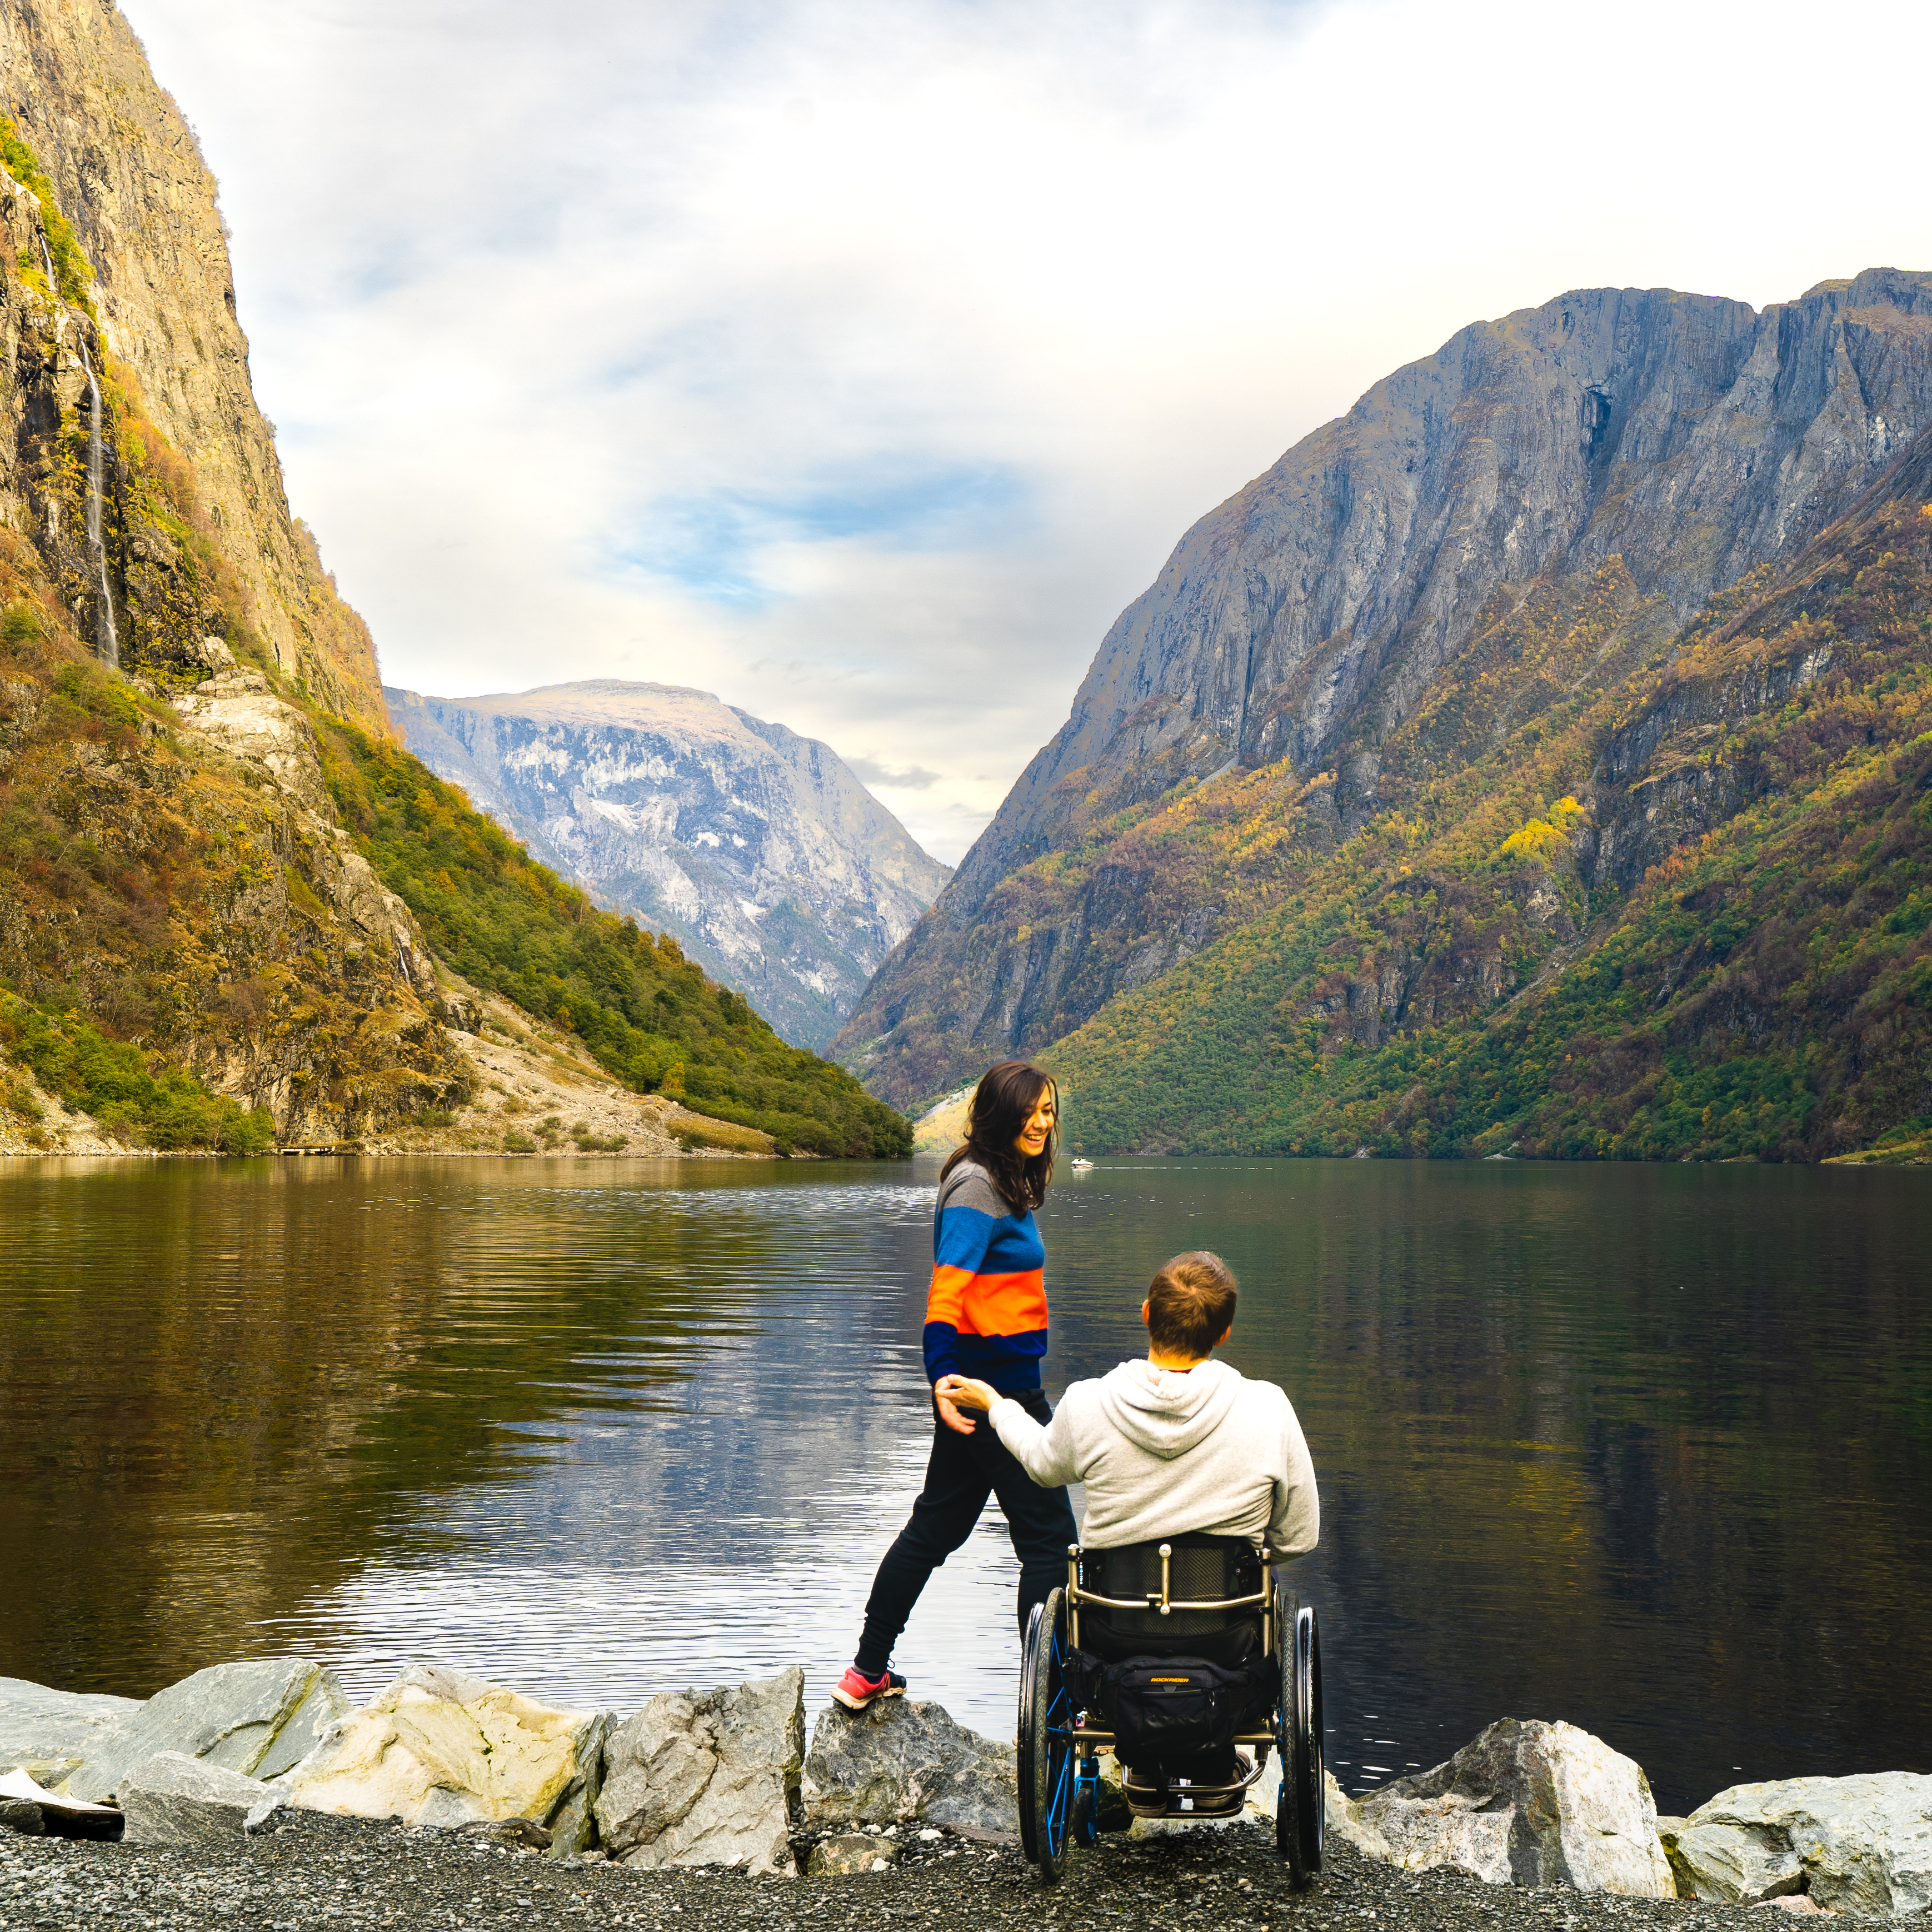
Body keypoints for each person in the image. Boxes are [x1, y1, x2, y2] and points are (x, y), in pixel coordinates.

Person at [833, 1060, 1079, 1711]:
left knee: (935, 1529)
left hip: (992, 1389)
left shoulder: (1003, 1181)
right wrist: (942, 1378)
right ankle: (1051, 1700)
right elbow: (945, 1295)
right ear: (1000, 1113)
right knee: (1052, 1545)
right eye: (1029, 1110)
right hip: (995, 1397)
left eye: (1049, 1110)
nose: (1041, 1121)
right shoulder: (976, 1188)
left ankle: (865, 1672)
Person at [935, 1249, 1316, 1556]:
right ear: (1225, 1333)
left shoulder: (1088, 1403)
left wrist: (996, 1405)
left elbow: (1041, 1465)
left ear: (1146, 1313)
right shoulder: (1268, 1407)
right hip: (1231, 1631)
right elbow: (1297, 1538)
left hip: (1113, 1629)